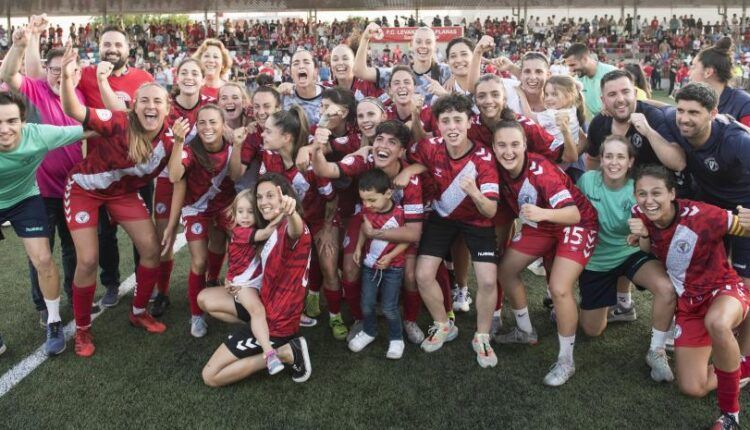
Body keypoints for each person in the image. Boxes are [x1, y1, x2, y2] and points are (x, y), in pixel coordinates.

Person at [60, 45, 172, 357]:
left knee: (151, 250)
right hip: (85, 188)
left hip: (121, 192)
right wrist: (68, 79)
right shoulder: (120, 122)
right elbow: (75, 111)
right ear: (134, 106)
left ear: (168, 108)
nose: (151, 107)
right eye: (145, 101)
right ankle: (82, 329)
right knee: (87, 260)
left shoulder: (171, 140)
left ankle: (138, 311)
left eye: (158, 101)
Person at [629, 165, 750, 430]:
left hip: (723, 289)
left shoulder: (702, 215)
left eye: (657, 193)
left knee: (717, 323)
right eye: (642, 193)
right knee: (692, 387)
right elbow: (649, 248)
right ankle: (744, 364)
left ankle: (730, 416)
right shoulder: (639, 214)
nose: (649, 200)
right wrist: (642, 236)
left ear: (672, 193)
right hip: (689, 304)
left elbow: (742, 228)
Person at [395, 94, 500, 368]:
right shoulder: (431, 145)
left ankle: (482, 335)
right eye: (445, 121)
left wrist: (475, 193)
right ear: (438, 125)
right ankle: (443, 324)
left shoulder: (483, 157)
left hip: (478, 220)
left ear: (468, 123)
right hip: (443, 217)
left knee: (488, 281)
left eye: (458, 120)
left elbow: (490, 210)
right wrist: (410, 172)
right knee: (422, 274)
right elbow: (415, 158)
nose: (452, 126)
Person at [494, 120, 598, 387]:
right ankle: (525, 330)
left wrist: (541, 214)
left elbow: (573, 213)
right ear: (493, 147)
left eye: (515, 144)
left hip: (574, 222)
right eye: (502, 145)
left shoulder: (541, 169)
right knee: (505, 270)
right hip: (541, 225)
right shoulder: (497, 169)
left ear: (525, 145)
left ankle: (566, 360)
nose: (508, 151)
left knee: (559, 288)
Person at [0, 24, 87, 321]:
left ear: (78, 72)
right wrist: (23, 44)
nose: (62, 74)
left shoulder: (82, 97)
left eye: (69, 69)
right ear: (45, 70)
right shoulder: (34, 91)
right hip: (41, 191)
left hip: (75, 190)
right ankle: (42, 307)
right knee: (40, 254)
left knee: (72, 249)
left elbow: (93, 129)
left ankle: (73, 301)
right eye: (55, 69)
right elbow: (10, 74)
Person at [311, 120, 426, 344]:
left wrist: (375, 234)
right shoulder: (366, 158)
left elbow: (413, 234)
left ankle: (410, 320)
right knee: (350, 267)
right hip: (365, 217)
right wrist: (317, 147)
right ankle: (359, 319)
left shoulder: (410, 179)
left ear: (402, 151)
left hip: (396, 226)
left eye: (392, 142)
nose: (383, 146)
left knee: (412, 275)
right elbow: (325, 169)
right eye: (380, 139)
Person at [576, 135, 675, 382]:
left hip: (628, 253)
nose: (613, 162)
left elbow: (646, 244)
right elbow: (573, 215)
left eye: (620, 156)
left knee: (666, 288)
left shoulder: (637, 192)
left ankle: (657, 349)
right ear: (601, 158)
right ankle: (611, 303)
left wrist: (642, 233)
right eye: (608, 156)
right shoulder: (587, 181)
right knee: (592, 331)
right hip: (596, 260)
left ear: (630, 161)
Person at [199, 173, 312, 387]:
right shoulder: (269, 228)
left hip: (276, 322)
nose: (263, 202)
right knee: (205, 298)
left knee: (211, 376)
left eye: (270, 196)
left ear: (284, 197)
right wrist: (234, 279)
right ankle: (257, 326)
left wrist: (291, 212)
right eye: (260, 197)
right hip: (266, 304)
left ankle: (285, 352)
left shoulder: (290, 228)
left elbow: (296, 231)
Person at [0, 91, 90, 356]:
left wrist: (127, 119)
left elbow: (87, 130)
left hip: (24, 199)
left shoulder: (38, 134)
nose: (4, 129)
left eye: (11, 121)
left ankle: (53, 321)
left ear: (23, 121)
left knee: (43, 260)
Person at [76, 26, 155, 309]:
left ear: (128, 48)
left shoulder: (143, 79)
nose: (112, 49)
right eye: (106, 44)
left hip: (136, 169)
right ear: (98, 47)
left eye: (117, 44)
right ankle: (111, 283)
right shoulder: (85, 76)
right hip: (98, 171)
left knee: (142, 232)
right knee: (103, 233)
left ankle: (145, 284)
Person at [657, 82, 750, 286]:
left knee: (744, 279)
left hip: (744, 209)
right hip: (708, 206)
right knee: (703, 268)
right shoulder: (675, 121)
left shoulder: (736, 140)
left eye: (694, 112)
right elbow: (656, 107)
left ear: (713, 113)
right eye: (680, 110)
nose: (684, 118)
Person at [150, 58, 216, 318]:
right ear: (176, 77)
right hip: (171, 178)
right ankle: (162, 292)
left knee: (211, 234)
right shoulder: (165, 108)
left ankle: (210, 280)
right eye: (184, 72)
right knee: (164, 236)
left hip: (203, 181)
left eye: (195, 73)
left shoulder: (213, 105)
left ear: (203, 79)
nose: (189, 77)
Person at [165, 105, 235, 337]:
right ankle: (196, 316)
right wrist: (177, 141)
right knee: (198, 262)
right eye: (202, 122)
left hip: (225, 206)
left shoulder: (233, 147)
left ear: (223, 125)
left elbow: (237, 176)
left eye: (213, 122)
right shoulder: (189, 149)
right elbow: (175, 175)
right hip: (196, 208)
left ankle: (214, 280)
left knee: (231, 246)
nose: (207, 127)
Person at [349, 169, 409, 359]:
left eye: (372, 200)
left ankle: (396, 338)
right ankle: (369, 331)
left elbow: (407, 239)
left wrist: (391, 256)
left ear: (388, 193)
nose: (367, 205)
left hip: (393, 268)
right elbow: (363, 229)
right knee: (366, 303)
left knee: (389, 307)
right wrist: (358, 248)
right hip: (369, 266)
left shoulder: (400, 214)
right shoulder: (367, 209)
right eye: (363, 200)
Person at [224, 189, 284, 375]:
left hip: (250, 279)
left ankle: (258, 329)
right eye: (240, 211)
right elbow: (266, 233)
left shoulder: (250, 229)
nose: (245, 216)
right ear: (234, 213)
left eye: (250, 212)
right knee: (257, 311)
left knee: (260, 313)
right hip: (244, 283)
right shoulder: (241, 232)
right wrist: (284, 210)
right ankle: (270, 354)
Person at [355, 23, 452, 106]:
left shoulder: (446, 72)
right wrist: (365, 38)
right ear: (411, 44)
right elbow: (360, 72)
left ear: (435, 46)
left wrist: (454, 78)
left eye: (428, 42)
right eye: (418, 42)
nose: (423, 46)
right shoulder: (398, 74)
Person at [688, 36, 750, 126]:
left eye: (693, 67)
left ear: (708, 72)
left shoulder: (744, 104)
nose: (689, 72)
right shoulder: (693, 102)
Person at [563, 43, 616, 118]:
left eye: (573, 65)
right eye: (568, 66)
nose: (570, 70)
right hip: (598, 123)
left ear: (585, 59)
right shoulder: (578, 80)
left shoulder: (611, 72)